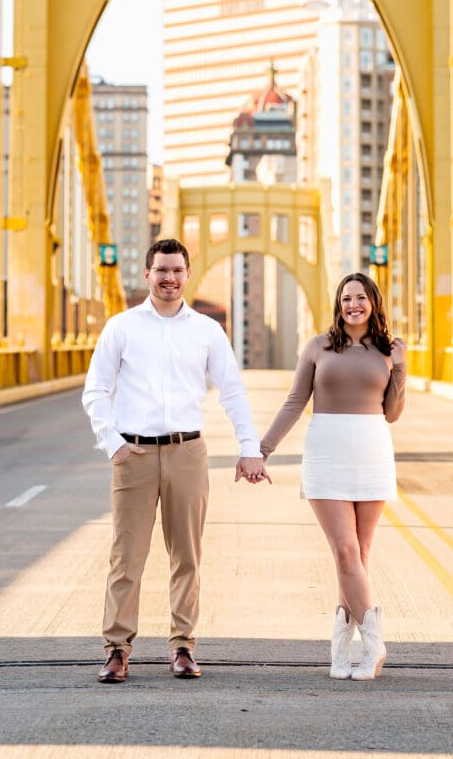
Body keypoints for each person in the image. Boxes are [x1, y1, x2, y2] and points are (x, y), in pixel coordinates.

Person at [82, 237, 270, 684]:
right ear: (147, 274)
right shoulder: (121, 327)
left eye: (177, 271)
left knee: (186, 555)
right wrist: (113, 444)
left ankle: (183, 645)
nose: (169, 278)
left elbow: (232, 392)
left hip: (188, 451)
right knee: (126, 556)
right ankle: (116, 649)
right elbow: (95, 390)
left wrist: (250, 449)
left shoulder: (206, 331)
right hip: (135, 452)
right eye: (161, 270)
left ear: (188, 275)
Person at [260, 272, 406, 681]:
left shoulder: (385, 351)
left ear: (373, 303)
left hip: (372, 450)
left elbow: (392, 413)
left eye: (361, 297)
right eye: (346, 298)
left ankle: (340, 652)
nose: (353, 304)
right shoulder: (317, 347)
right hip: (327, 452)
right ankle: (375, 644)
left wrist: (400, 369)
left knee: (357, 556)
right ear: (338, 304)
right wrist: (263, 449)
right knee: (345, 552)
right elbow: (294, 402)